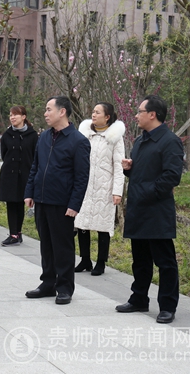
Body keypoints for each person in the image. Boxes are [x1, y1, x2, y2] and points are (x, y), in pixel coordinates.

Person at [116, 95, 183, 324]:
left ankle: (167, 306)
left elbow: (171, 176)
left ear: (152, 114)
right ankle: (139, 299)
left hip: (157, 211)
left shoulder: (170, 141)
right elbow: (144, 171)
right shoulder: (140, 140)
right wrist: (129, 169)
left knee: (165, 262)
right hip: (139, 209)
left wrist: (147, 192)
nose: (136, 115)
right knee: (140, 260)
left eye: (140, 111)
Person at [24, 96, 90, 305]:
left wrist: (74, 205)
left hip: (62, 203)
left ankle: (64, 287)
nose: (45, 113)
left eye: (48, 109)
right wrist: (30, 192)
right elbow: (35, 166)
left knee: (63, 247)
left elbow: (82, 177)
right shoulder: (44, 137)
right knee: (46, 244)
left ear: (62, 112)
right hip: (42, 199)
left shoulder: (78, 141)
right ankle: (48, 283)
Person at [74, 103, 125, 276]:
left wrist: (117, 191)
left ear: (107, 116)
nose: (93, 115)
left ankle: (101, 262)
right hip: (84, 185)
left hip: (105, 187)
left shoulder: (115, 137)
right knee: (82, 223)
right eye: (93, 112)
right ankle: (85, 259)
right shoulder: (85, 134)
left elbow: (119, 166)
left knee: (103, 225)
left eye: (97, 112)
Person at [0, 106, 38, 246]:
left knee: (21, 202)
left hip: (26, 173)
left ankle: (18, 233)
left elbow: (35, 155)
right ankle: (13, 234)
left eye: (15, 115)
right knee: (11, 203)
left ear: (24, 117)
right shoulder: (7, 135)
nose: (12, 117)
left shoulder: (33, 135)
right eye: (10, 115)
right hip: (9, 174)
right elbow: (4, 154)